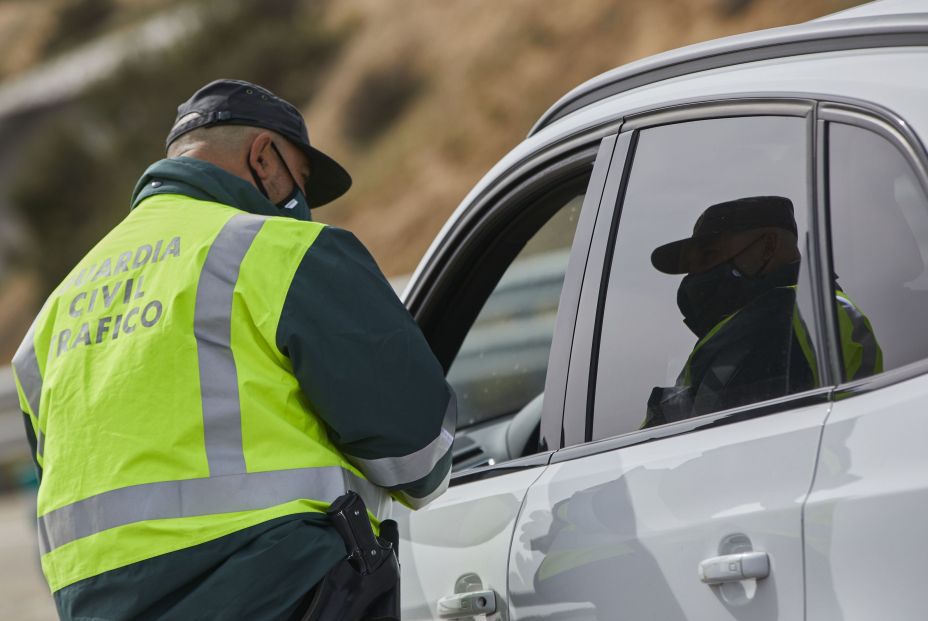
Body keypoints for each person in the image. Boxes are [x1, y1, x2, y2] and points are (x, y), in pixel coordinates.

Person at [10, 79, 456, 620]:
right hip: (281, 595)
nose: (302, 205)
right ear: (264, 158)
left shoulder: (52, 316)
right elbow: (420, 458)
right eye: (302, 182)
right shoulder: (284, 254)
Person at [643, 196, 880, 428]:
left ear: (767, 246)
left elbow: (730, 448)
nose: (696, 279)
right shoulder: (816, 308)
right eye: (692, 269)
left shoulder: (777, 317)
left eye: (709, 256)